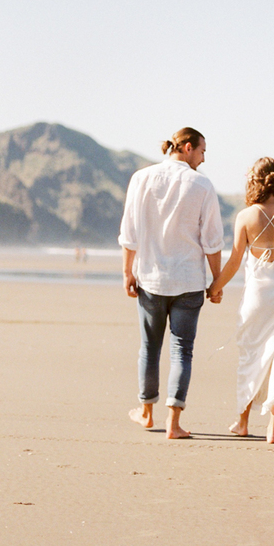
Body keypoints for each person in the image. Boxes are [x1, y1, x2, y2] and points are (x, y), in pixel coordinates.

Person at [119, 126, 224, 440]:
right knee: (182, 351)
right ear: (188, 147)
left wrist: (127, 272)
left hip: (150, 277)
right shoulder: (202, 185)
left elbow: (130, 233)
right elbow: (212, 241)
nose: (204, 159)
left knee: (150, 348)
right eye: (203, 151)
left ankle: (147, 413)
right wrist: (217, 281)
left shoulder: (141, 178)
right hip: (189, 280)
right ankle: (174, 424)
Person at [208, 156, 274, 444]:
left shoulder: (245, 216)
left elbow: (233, 262)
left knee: (250, 355)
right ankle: (273, 431)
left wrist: (214, 287)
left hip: (256, 297)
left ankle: (242, 423)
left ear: (254, 181)